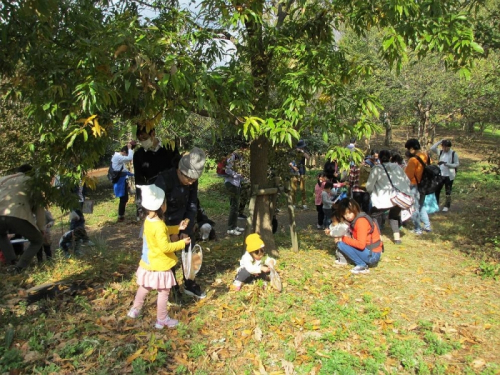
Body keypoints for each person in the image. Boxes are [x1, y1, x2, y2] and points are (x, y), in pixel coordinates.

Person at [127, 184, 191, 329]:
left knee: (145, 286)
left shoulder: (149, 221)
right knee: (163, 292)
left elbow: (162, 231)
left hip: (149, 261)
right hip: (160, 264)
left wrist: (176, 228)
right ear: (161, 206)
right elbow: (166, 247)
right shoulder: (160, 225)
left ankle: (135, 309)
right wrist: (182, 243)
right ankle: (162, 319)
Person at [155, 147, 207, 298]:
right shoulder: (164, 180)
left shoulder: (192, 183)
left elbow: (192, 204)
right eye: (188, 179)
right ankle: (171, 286)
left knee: (189, 248)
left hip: (184, 219)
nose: (191, 183)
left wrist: (186, 228)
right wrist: (170, 232)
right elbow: (156, 210)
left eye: (194, 180)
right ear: (179, 170)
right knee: (167, 256)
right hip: (165, 222)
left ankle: (189, 282)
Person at [0, 165, 45, 272]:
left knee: (1, 235)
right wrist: (41, 228)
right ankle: (20, 267)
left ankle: (11, 261)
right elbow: (40, 208)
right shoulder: (32, 183)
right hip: (18, 214)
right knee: (37, 240)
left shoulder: (2, 179)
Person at [133, 126, 179, 220]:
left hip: (171, 193)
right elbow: (139, 181)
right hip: (153, 195)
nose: (143, 141)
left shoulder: (168, 148)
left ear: (153, 134)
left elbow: (177, 171)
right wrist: (140, 205)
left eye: (145, 138)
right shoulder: (139, 155)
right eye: (140, 139)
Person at [366, 150, 411, 244]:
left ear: (379, 158)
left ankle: (378, 238)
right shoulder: (397, 167)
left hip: (382, 199)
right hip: (397, 199)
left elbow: (369, 186)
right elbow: (407, 181)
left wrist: (371, 192)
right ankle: (397, 238)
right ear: (390, 157)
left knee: (374, 216)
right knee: (394, 216)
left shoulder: (377, 169)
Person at [334, 198, 383, 274]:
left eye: (349, 212)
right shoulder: (356, 219)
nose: (347, 216)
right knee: (343, 242)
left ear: (355, 209)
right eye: (344, 214)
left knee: (341, 244)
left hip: (372, 255)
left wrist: (343, 239)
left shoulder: (361, 221)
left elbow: (361, 245)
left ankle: (362, 265)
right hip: (371, 252)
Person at [404, 138, 431, 234]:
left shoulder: (413, 160)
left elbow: (408, 176)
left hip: (414, 185)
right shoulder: (426, 156)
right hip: (424, 184)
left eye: (408, 149)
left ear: (412, 148)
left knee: (414, 207)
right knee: (421, 205)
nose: (408, 151)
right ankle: (427, 226)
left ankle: (417, 228)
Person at [430, 139, 459, 212]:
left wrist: (448, 164)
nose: (445, 149)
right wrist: (440, 141)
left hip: (449, 175)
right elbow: (432, 148)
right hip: (440, 175)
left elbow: (457, 164)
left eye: (447, 147)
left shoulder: (453, 153)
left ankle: (447, 205)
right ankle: (436, 204)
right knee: (437, 190)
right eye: (444, 147)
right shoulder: (441, 152)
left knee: (448, 191)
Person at [112, 142, 135, 222]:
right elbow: (129, 158)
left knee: (125, 198)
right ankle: (120, 216)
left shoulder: (119, 158)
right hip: (119, 182)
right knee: (123, 198)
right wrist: (129, 148)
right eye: (127, 153)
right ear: (124, 152)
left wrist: (131, 175)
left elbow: (124, 170)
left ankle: (121, 215)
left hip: (122, 181)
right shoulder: (118, 157)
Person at [224, 152, 245, 235]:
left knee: (236, 206)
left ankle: (234, 226)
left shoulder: (241, 158)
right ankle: (230, 228)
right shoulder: (232, 157)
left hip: (237, 184)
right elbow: (227, 170)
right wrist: (238, 175)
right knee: (234, 206)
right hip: (231, 183)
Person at [289, 140, 310, 209]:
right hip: (293, 172)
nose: (302, 148)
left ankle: (304, 204)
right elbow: (288, 161)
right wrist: (293, 167)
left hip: (302, 171)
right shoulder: (292, 152)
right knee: (293, 189)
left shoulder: (304, 151)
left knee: (302, 188)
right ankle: (293, 204)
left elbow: (308, 157)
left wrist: (302, 152)